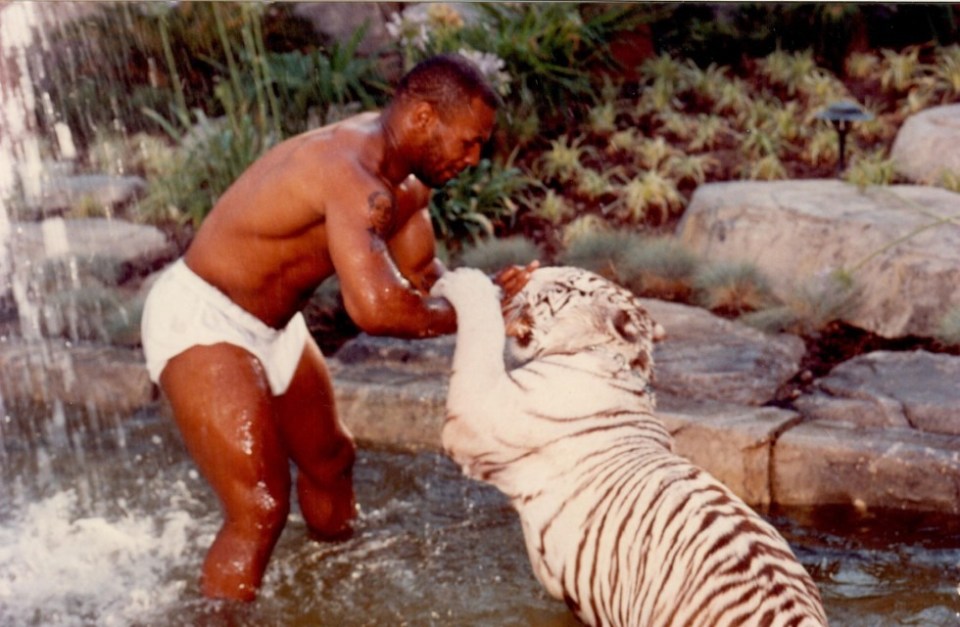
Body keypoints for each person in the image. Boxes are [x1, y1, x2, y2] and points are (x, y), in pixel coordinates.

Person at [141, 53, 536, 601]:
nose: (473, 159)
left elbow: (421, 277)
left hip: (274, 328)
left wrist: (491, 294)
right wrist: (480, 315)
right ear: (423, 118)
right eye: (467, 142)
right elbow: (377, 310)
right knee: (259, 507)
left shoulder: (407, 184)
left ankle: (331, 590)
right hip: (202, 316)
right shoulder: (347, 171)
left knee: (332, 461)